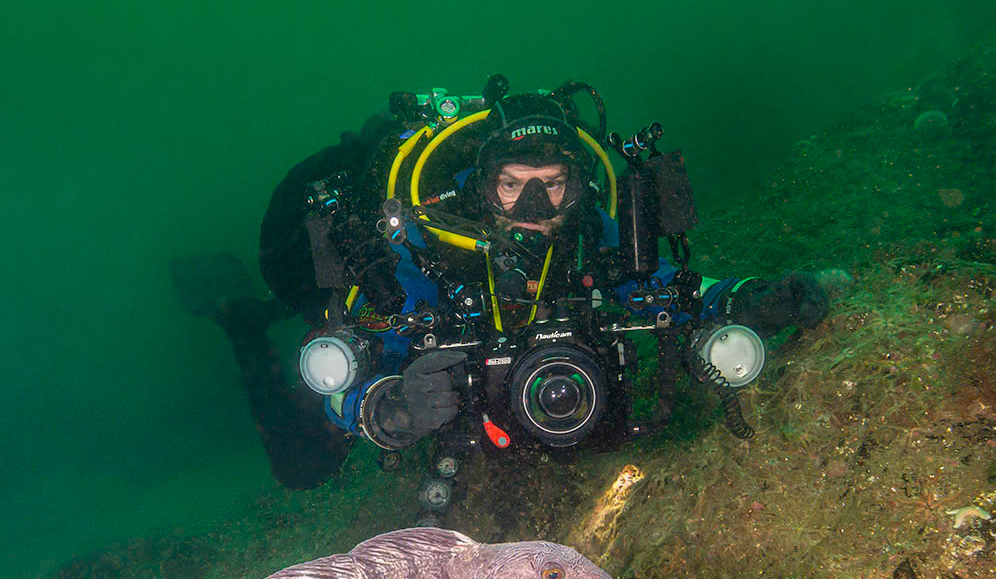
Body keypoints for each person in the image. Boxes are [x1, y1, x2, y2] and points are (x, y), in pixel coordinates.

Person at [184, 78, 828, 491]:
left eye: (552, 183)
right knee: (301, 469)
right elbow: (348, 372)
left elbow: (667, 288)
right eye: (512, 183)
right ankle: (242, 320)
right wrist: (389, 409)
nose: (533, 203)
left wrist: (748, 299)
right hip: (465, 421)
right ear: (481, 183)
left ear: (577, 183)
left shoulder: (591, 234)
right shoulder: (433, 249)